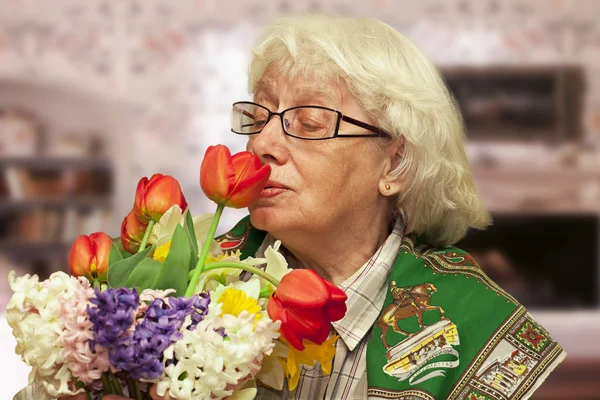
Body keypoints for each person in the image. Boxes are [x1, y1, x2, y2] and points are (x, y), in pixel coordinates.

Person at [67, 14, 565, 400]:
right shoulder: (181, 287)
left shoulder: (470, 318)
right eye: (259, 115)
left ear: (394, 164)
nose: (263, 141)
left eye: (307, 121)